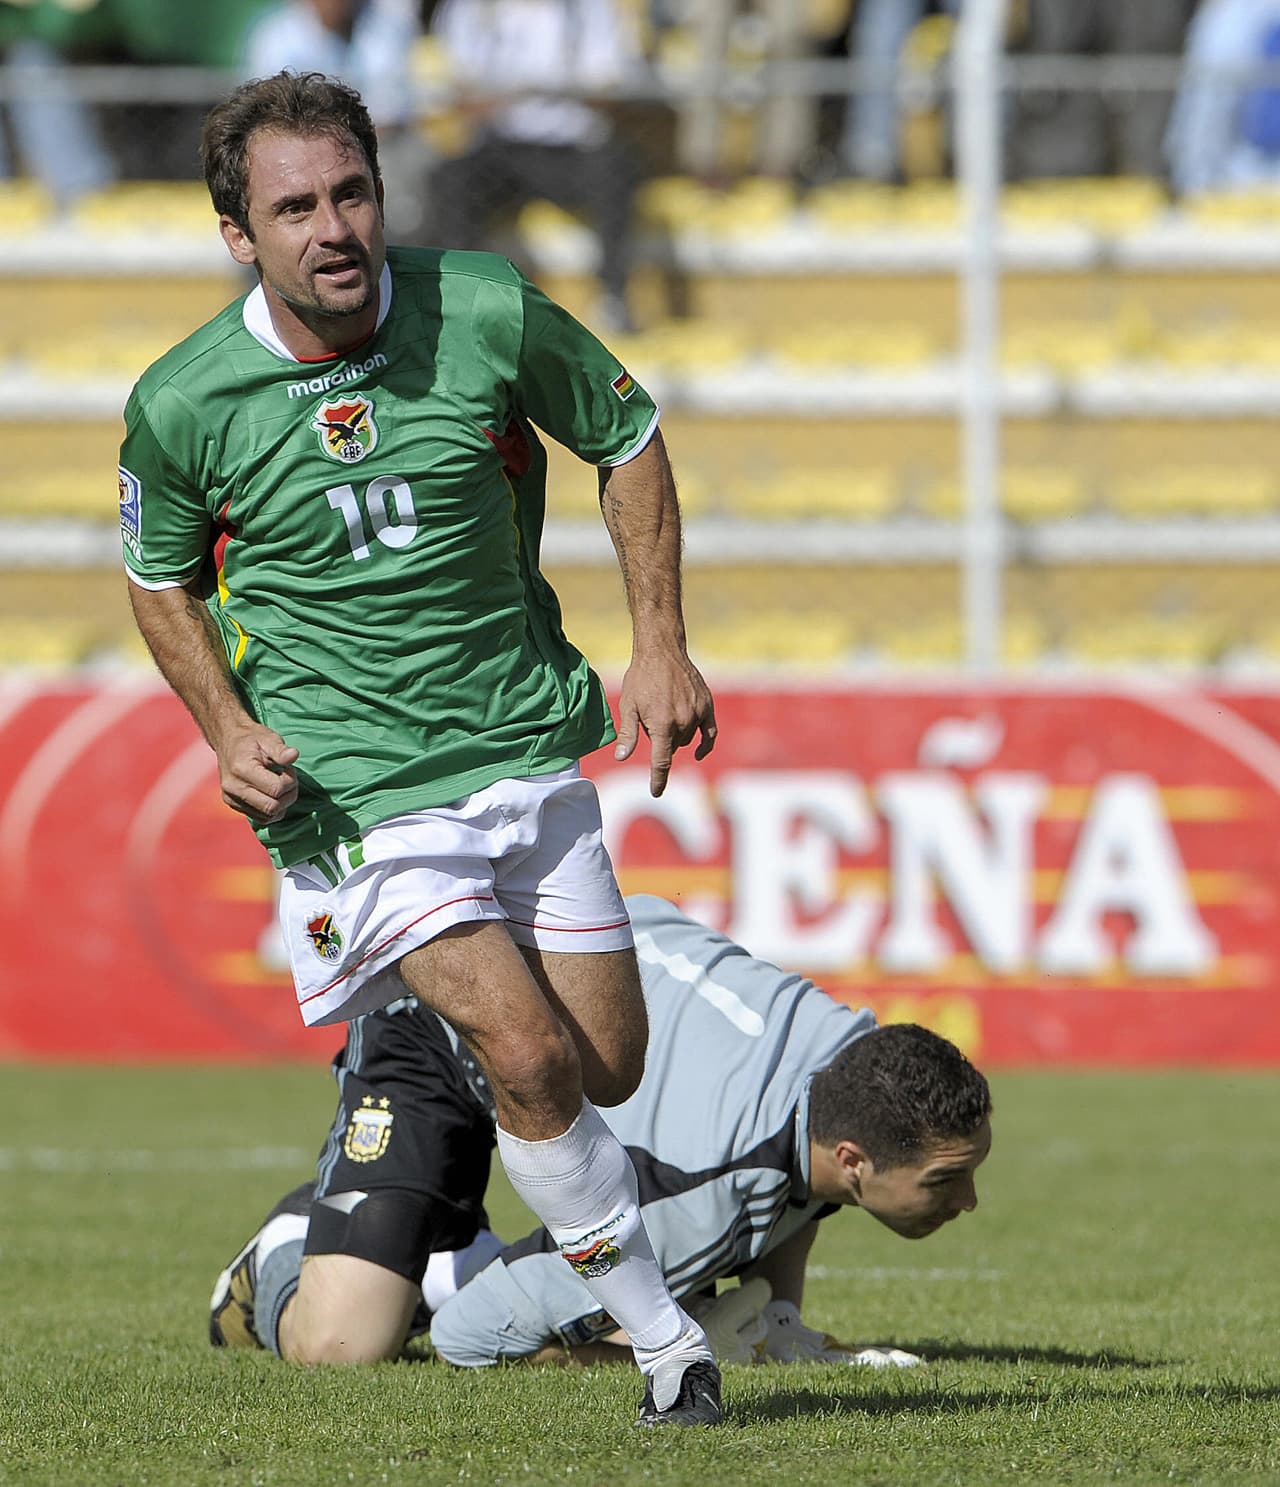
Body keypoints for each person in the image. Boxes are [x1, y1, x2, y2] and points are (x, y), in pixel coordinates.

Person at [119, 71, 720, 1427]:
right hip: (352, 792)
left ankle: (362, 1168)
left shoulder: (489, 309)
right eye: (294, 207)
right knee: (534, 1055)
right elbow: (158, 574)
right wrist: (224, 727)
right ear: (240, 236)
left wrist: (660, 639)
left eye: (352, 193)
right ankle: (671, 1346)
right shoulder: (185, 401)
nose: (332, 226)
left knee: (603, 1061)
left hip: (517, 741)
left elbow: (627, 434)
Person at [209, 894, 992, 1371]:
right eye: (944, 1179)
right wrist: (632, 1352)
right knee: (345, 1345)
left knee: (724, 1216)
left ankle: (457, 1255)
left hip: (573, 986)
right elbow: (467, 1340)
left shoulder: (850, 1056)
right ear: (854, 1162)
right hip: (440, 1012)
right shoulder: (697, 1196)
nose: (970, 1200)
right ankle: (291, 1243)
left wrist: (771, 1316)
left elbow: (797, 1164)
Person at [426, 0, 645, 332]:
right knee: (449, 178)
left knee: (617, 167)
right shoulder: (470, 9)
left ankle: (613, 297)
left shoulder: (590, 10)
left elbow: (608, 92)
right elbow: (463, 99)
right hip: (499, 152)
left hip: (569, 151)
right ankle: (461, 300)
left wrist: (517, 93)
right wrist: (548, 90)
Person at [1166, 0, 1280, 197]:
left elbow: (1202, 120)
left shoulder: (1229, 18)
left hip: (1240, 185)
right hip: (1242, 187)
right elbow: (1204, 117)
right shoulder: (1231, 18)